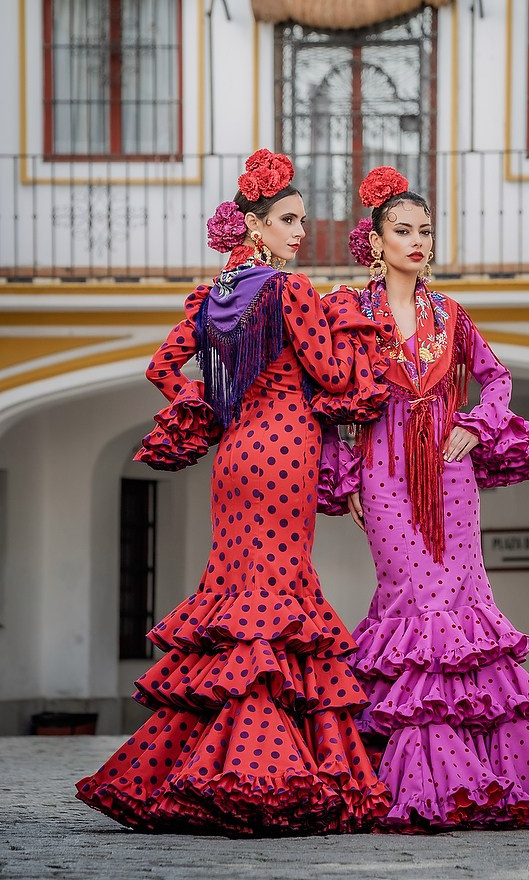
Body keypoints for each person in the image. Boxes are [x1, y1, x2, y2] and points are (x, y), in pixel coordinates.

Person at [76, 149, 390, 835]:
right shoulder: (290, 290)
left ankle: (197, 764)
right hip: (286, 447)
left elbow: (162, 367)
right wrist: (354, 326)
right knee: (279, 592)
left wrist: (204, 401)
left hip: (236, 451)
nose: (300, 232)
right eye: (287, 220)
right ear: (254, 225)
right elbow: (334, 375)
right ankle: (261, 768)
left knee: (235, 584)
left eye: (301, 220)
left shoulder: (214, 295)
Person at [315, 166, 529, 829]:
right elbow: (322, 396)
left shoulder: (450, 313)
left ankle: (487, 775)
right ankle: (418, 773)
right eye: (402, 231)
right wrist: (342, 467)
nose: (416, 241)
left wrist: (474, 427)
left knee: (460, 608)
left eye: (424, 231)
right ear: (375, 239)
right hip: (383, 472)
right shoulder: (344, 311)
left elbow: (496, 378)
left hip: (450, 478)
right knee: (418, 606)